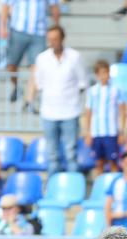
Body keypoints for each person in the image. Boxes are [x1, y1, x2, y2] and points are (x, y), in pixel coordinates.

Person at [29, 26, 87, 175]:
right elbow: (40, 83)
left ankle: (73, 188)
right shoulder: (42, 59)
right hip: (49, 112)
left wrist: (70, 98)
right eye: (50, 39)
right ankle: (53, 189)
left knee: (71, 154)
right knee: (52, 155)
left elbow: (82, 82)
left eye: (55, 39)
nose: (52, 42)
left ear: (62, 39)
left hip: (70, 112)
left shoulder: (74, 57)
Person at [0, 0, 61, 105]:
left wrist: (56, 25)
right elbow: (5, 6)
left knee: (36, 67)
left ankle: (29, 100)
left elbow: (54, 6)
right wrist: (3, 27)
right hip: (18, 30)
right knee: (11, 65)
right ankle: (16, 86)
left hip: (39, 33)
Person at [85, 60, 126, 175]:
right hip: (97, 132)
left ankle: (114, 187)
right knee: (99, 163)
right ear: (97, 75)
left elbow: (123, 111)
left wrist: (121, 132)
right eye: (101, 73)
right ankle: (99, 188)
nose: (104, 76)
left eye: (106, 72)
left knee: (113, 162)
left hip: (111, 132)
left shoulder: (116, 90)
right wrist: (88, 132)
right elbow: (89, 112)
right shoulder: (92, 91)